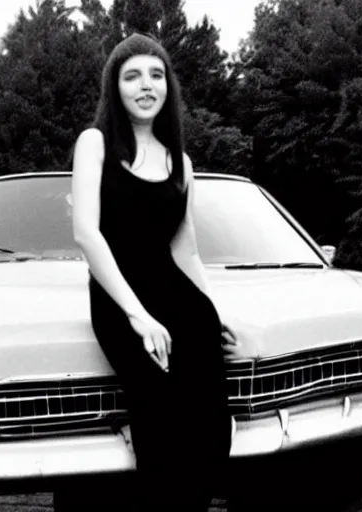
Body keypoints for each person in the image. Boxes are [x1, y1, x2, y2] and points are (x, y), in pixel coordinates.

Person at [71, 32, 238, 512]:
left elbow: (186, 249)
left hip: (180, 300)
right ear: (115, 88)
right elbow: (87, 234)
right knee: (160, 420)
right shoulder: (95, 143)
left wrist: (214, 313)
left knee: (210, 427)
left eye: (156, 75)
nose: (146, 85)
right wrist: (138, 316)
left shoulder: (180, 161)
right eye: (132, 76)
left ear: (168, 87)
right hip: (121, 298)